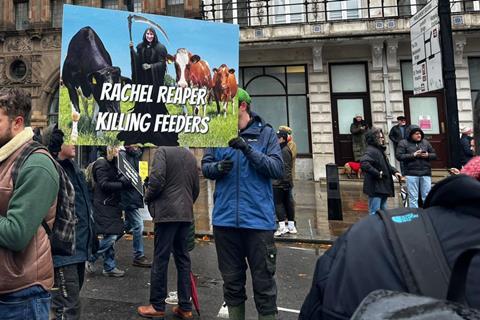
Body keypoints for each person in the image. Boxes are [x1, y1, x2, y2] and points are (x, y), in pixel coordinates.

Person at [299, 172, 480, 319]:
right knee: (377, 209)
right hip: (384, 193)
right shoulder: (365, 241)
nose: (381, 138)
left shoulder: (362, 242)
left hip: (386, 202)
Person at [202, 88, 283, 320]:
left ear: (242, 106)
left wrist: (247, 150)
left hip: (258, 223)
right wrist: (217, 168)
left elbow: (277, 170)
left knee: (264, 285)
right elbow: (206, 165)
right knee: (232, 284)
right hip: (225, 221)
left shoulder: (266, 133)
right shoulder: (217, 133)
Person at [0, 88, 59, 319]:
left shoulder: (36, 164)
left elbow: (16, 233)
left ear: (17, 122)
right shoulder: (4, 157)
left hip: (21, 295)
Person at [137, 147, 199, 319]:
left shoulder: (162, 152)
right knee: (183, 258)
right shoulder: (190, 155)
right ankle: (185, 307)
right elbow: (195, 187)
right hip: (185, 213)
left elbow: (156, 181)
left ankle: (157, 305)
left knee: (161, 258)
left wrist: (147, 196)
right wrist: (185, 205)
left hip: (166, 214)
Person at [42, 125, 96, 320]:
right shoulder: (50, 169)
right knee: (69, 306)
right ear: (57, 144)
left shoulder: (74, 167)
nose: (74, 142)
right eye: (68, 139)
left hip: (80, 247)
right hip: (63, 250)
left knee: (63, 303)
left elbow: (83, 206)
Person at [118, 27, 177, 146]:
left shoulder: (160, 48)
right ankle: (140, 133)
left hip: (155, 85)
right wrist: (132, 50)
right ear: (145, 35)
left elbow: (162, 64)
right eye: (147, 34)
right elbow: (137, 62)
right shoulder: (140, 46)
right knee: (141, 107)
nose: (149, 36)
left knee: (156, 107)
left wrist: (151, 67)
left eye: (151, 34)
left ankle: (157, 135)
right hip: (143, 83)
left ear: (154, 35)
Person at [87, 146, 130, 277]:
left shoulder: (115, 162)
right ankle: (91, 258)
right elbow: (103, 184)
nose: (120, 150)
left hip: (111, 204)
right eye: (116, 148)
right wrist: (122, 184)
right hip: (103, 204)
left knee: (111, 234)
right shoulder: (101, 163)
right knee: (111, 236)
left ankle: (109, 266)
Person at [119, 146, 151, 268]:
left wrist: (143, 180)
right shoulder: (123, 155)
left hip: (134, 196)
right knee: (138, 225)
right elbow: (122, 177)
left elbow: (141, 173)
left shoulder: (135, 154)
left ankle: (99, 249)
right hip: (129, 197)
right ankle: (139, 256)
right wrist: (136, 179)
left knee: (126, 226)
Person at [360, 128, 402, 215]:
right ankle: (374, 227)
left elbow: (387, 165)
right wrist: (377, 173)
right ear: (373, 138)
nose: (382, 139)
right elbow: (364, 163)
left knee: (383, 211)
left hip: (382, 186)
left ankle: (383, 227)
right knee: (374, 212)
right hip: (375, 187)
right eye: (380, 137)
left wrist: (395, 172)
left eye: (382, 137)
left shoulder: (379, 150)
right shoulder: (371, 150)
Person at [395, 125, 437, 208]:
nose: (419, 135)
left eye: (420, 133)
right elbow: (399, 156)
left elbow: (435, 155)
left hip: (425, 173)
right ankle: (415, 216)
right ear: (411, 134)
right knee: (413, 197)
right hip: (411, 173)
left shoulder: (425, 142)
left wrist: (428, 155)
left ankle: (427, 214)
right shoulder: (403, 143)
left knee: (427, 196)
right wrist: (413, 155)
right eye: (416, 134)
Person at [273, 129, 296, 236]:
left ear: (282, 138)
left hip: (280, 182)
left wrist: (284, 181)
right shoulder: (284, 149)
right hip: (284, 181)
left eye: (277, 137)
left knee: (279, 204)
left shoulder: (283, 150)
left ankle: (283, 227)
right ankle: (290, 226)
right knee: (287, 203)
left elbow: (286, 167)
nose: (275, 139)